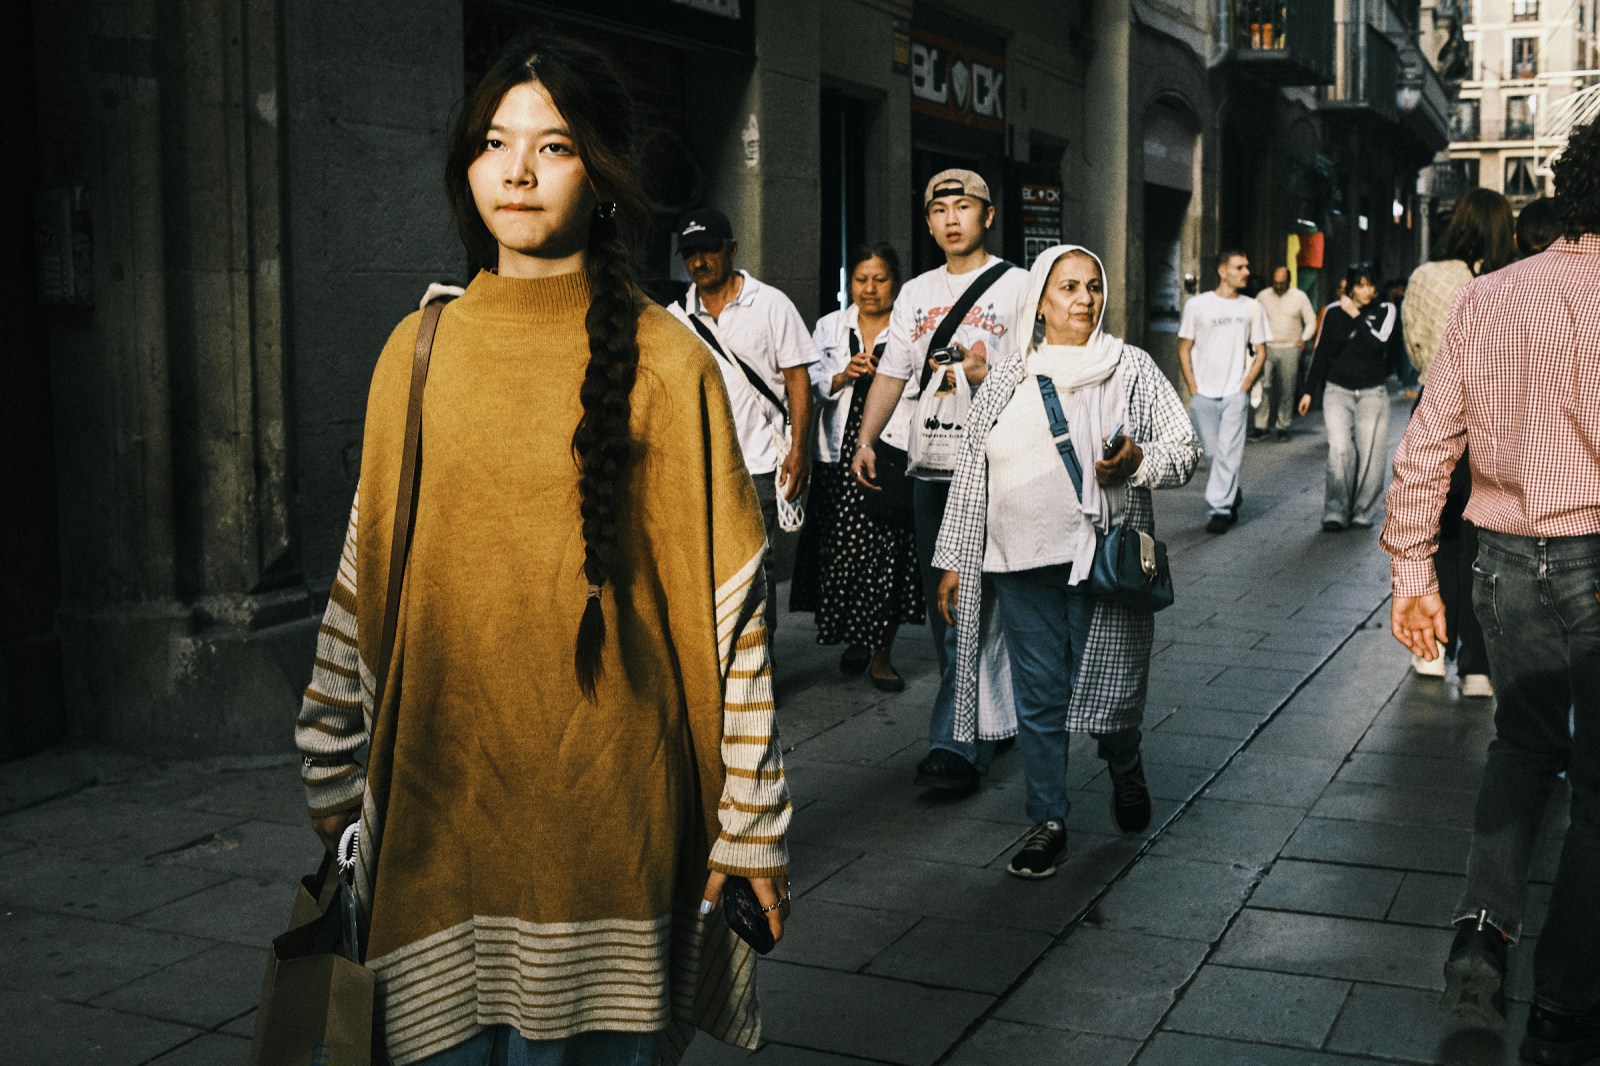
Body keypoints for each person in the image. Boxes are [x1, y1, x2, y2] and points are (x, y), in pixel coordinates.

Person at [294, 36, 791, 1065]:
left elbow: (730, 611)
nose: (515, 171)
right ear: (465, 165)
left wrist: (750, 824)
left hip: (613, 815)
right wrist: (333, 762)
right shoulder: (417, 351)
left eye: (552, 145)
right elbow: (364, 575)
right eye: (493, 141)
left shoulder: (666, 360)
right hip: (443, 810)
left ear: (602, 175)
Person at [1384, 116, 1600, 1066]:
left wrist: (1411, 572)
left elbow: (1429, 442)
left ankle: (1480, 938)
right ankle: (1565, 993)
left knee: (1521, 745)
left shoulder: (1492, 296)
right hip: (1595, 553)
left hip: (1503, 557)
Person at [932, 245, 1200, 878]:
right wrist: (954, 559)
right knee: (1040, 696)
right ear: (1040, 302)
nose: (1084, 299)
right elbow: (974, 466)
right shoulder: (1006, 375)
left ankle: (1123, 759)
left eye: (1091, 287)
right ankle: (1047, 819)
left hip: (1106, 561)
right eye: (1068, 288)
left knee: (1113, 692)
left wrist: (1138, 462)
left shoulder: (1130, 367)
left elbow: (1184, 448)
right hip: (1019, 558)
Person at [848, 169, 1030, 795]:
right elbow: (893, 374)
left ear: (988, 216)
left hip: (995, 467)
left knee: (969, 603)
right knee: (946, 605)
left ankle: (957, 742)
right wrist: (867, 441)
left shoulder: (1020, 288)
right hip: (929, 468)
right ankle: (995, 719)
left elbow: (1038, 380)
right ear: (928, 223)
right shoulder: (916, 293)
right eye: (941, 209)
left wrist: (984, 376)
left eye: (965, 206)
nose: (953, 218)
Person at [671, 206, 819, 642]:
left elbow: (798, 380)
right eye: (690, 253)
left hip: (758, 460)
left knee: (758, 563)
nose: (699, 261)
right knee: (708, 563)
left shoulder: (771, 304)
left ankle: (760, 659)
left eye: (709, 250)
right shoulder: (676, 316)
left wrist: (798, 451)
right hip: (701, 463)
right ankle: (719, 657)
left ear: (731, 249)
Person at [790, 243, 921, 691]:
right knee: (842, 555)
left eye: (879, 279)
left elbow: (926, 384)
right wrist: (844, 375)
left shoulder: (909, 329)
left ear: (895, 284)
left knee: (888, 556)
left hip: (890, 453)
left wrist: (891, 375)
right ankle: (856, 640)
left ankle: (882, 652)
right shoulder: (829, 326)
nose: (869, 289)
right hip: (837, 457)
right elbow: (808, 384)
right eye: (861, 280)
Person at [1402, 188, 1514, 694]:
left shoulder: (1427, 277)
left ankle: (1431, 650)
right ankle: (1478, 666)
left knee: (1436, 533)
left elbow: (1416, 345)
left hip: (1435, 403)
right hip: (1494, 419)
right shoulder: (1513, 282)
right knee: (1483, 540)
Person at [1296, 266, 1397, 532]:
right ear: (1350, 286)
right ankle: (1335, 509)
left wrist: (1355, 315)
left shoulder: (1386, 310)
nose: (1367, 291)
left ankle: (1363, 511)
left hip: (1371, 393)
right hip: (1337, 391)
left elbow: (1379, 345)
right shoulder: (1331, 312)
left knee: (1370, 455)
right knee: (1339, 448)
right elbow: (1321, 353)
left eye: (1371, 285)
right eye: (1361, 285)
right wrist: (1308, 390)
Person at [1177, 250, 1269, 533]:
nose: (1246, 272)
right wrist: (1193, 387)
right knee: (1214, 454)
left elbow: (1261, 351)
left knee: (1229, 452)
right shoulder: (1198, 305)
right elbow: (1184, 348)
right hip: (1204, 392)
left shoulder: (1252, 307)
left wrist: (1244, 386)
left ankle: (1220, 509)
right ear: (1222, 271)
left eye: (1247, 266)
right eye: (1239, 267)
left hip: (1233, 393)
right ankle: (1231, 492)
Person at [1253, 265, 1317, 440]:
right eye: (1276, 282)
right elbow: (1253, 319)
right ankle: (1261, 426)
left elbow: (1311, 321)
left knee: (1287, 389)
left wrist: (1304, 338)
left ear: (1289, 281)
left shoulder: (1299, 297)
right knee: (1264, 387)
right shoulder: (1263, 296)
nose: (1279, 286)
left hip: (1290, 348)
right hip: (1267, 347)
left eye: (1282, 283)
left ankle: (1283, 426)